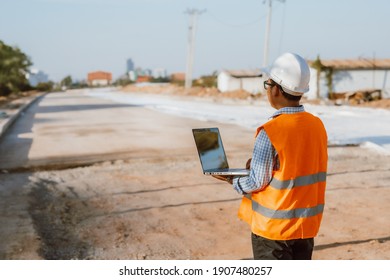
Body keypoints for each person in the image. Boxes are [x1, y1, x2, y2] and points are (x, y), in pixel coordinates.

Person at [213, 52, 328, 260]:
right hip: (305, 226)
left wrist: (231, 178)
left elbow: (257, 181)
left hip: (273, 230)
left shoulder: (270, 131)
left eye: (268, 84)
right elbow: (297, 166)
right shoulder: (317, 125)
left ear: (275, 88)